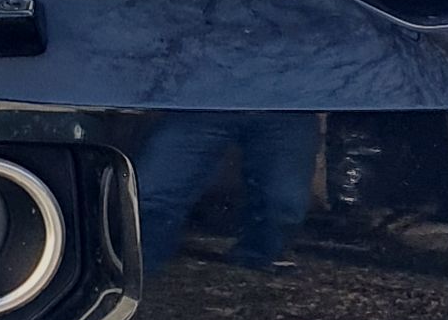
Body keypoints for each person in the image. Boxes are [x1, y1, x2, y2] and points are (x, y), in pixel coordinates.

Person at [135, 111, 318, 272]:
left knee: (284, 205)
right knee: (150, 195)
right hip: (202, 102)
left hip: (287, 104)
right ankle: (137, 266)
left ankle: (258, 262)